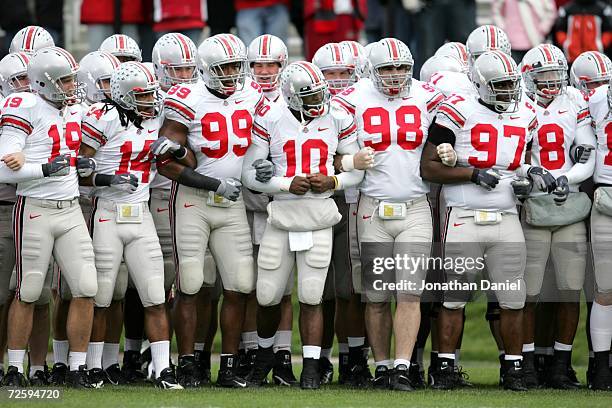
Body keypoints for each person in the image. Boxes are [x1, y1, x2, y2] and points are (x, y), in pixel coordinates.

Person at [421, 50, 556, 391]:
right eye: (499, 85)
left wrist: (533, 172)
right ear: (480, 84)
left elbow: (517, 163)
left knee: (513, 296)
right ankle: (444, 368)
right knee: (454, 294)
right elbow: (429, 167)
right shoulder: (457, 109)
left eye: (511, 84)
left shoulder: (524, 112)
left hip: (506, 213)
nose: (508, 92)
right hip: (464, 213)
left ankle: (513, 369)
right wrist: (471, 174)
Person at [242, 60, 367, 390]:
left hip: (318, 215)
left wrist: (334, 181)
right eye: (310, 97)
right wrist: (284, 184)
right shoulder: (269, 116)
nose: (318, 103)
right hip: (282, 215)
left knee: (312, 295)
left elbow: (357, 171)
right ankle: (265, 356)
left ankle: (311, 365)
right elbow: (249, 175)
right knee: (268, 296)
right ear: (292, 96)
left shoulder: (338, 115)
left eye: (319, 95)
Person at [153, 33, 264, 388]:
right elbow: (164, 162)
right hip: (193, 202)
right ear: (205, 69)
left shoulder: (252, 96)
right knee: (190, 283)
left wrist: (266, 166)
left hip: (231, 205)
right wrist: (210, 183)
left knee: (240, 285)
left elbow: (267, 143)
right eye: (224, 67)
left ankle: (228, 365)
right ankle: (188, 363)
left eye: (236, 65)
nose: (232, 73)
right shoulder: (187, 98)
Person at [0, 47, 98, 388]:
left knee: (87, 287)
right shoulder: (24, 106)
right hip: (36, 208)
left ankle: (76, 367)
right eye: (66, 80)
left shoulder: (74, 110)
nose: (73, 86)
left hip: (70, 209)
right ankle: (15, 368)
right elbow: (3, 168)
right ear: (45, 82)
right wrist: (42, 168)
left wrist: (81, 166)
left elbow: (71, 157)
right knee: (28, 291)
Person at [520, 43, 595, 389]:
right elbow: (511, 155)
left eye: (555, 75)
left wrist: (568, 177)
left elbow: (586, 153)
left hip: (568, 203)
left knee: (568, 289)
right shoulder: (517, 102)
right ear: (528, 76)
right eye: (543, 76)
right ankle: (529, 362)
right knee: (530, 292)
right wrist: (531, 172)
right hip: (533, 204)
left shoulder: (575, 101)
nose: (550, 82)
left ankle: (561, 365)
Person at [491, 0, 557, 63]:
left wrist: (542, 29)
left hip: (534, 42)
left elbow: (550, 11)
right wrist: (503, 28)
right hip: (512, 43)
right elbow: (495, 11)